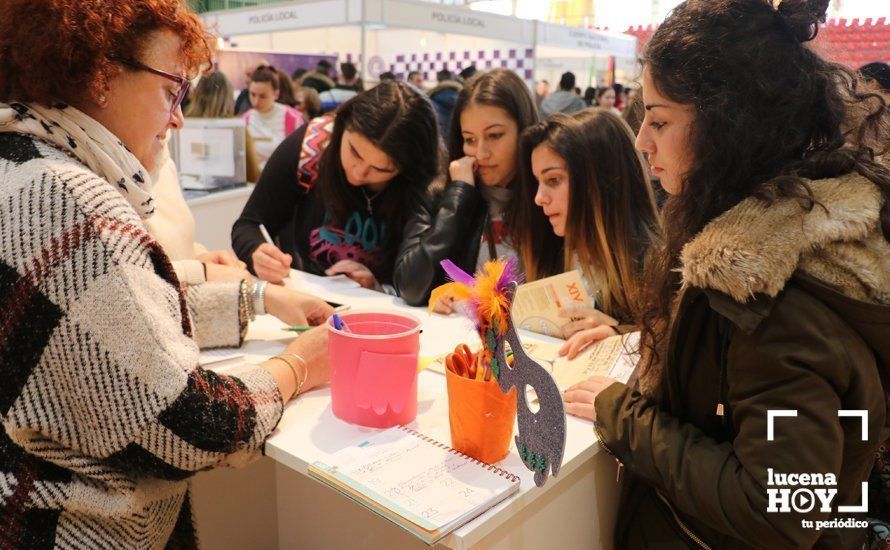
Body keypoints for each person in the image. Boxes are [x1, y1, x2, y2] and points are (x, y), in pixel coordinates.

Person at [0, 0, 335, 546]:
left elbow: (94, 325)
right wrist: (299, 365)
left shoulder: (21, 166)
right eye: (172, 89)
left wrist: (254, 301)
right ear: (101, 73)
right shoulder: (70, 196)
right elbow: (188, 425)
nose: (179, 116)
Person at [563, 0, 890, 548]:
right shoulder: (774, 231)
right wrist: (645, 340)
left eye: (660, 120)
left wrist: (624, 418)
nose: (642, 140)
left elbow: (783, 509)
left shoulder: (770, 295)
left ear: (729, 125)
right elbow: (732, 375)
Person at [232, 81, 441, 291]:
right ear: (342, 126)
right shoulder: (313, 145)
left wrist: (381, 289)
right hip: (308, 298)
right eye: (354, 152)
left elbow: (429, 283)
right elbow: (247, 225)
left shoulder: (425, 185)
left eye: (381, 170)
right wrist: (257, 252)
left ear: (407, 169)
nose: (358, 173)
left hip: (386, 314)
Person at [515, 110, 660, 359]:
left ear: (599, 182)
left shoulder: (656, 265)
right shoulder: (548, 249)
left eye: (553, 180)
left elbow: (670, 360)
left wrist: (621, 337)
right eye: (537, 182)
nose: (539, 198)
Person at [393, 69, 538, 308]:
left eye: (494, 135)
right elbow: (410, 286)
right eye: (470, 139)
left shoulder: (545, 196)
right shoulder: (441, 192)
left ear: (524, 129)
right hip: (460, 339)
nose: (481, 153)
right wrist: (459, 196)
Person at [242, 66, 305, 169]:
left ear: (276, 94)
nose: (256, 102)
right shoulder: (245, 120)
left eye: (262, 96)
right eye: (252, 95)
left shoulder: (294, 119)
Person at [428, 69, 463, 138]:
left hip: (439, 141)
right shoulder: (462, 98)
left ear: (438, 80)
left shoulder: (431, 99)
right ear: (451, 79)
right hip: (458, 141)